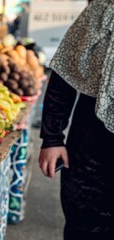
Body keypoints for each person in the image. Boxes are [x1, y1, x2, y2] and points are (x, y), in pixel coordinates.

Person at [38, 0, 114, 239]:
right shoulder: (101, 11)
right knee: (86, 227)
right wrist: (52, 138)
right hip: (91, 148)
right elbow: (63, 74)